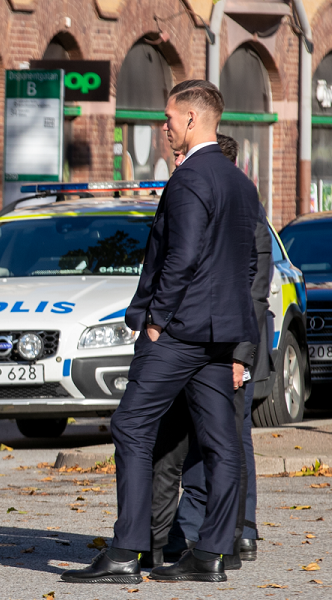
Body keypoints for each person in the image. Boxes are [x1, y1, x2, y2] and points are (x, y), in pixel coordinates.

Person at [62, 80, 262, 584]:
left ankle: (126, 552)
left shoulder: (191, 178)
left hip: (178, 332)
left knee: (130, 427)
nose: (164, 126)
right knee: (222, 443)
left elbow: (183, 255)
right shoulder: (241, 182)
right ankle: (211, 553)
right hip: (219, 335)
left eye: (169, 118)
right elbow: (245, 266)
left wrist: (156, 320)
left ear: (192, 119)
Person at [149, 133, 269, 567]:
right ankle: (171, 539)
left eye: (185, 154)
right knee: (184, 445)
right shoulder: (194, 205)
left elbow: (253, 292)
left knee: (228, 445)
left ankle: (236, 536)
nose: (178, 160)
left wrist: (240, 355)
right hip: (189, 343)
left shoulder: (243, 210)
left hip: (227, 346)